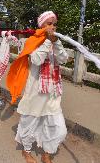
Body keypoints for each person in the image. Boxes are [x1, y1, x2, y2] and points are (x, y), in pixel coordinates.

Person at [8, 11, 68, 163]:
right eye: (49, 24)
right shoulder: (32, 41)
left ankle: (47, 152)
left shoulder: (55, 42)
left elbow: (64, 59)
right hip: (36, 91)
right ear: (41, 25)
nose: (52, 27)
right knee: (29, 122)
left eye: (54, 24)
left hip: (53, 92)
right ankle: (26, 151)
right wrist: (47, 42)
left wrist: (56, 42)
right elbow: (36, 60)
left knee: (59, 128)